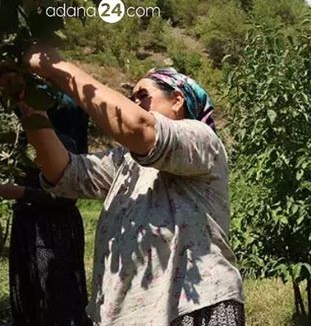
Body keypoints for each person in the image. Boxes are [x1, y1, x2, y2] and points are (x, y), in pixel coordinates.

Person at [1, 43, 244, 326]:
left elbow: (138, 127)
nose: (134, 103)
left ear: (177, 100)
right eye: (131, 98)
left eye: (143, 96)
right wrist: (26, 100)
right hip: (127, 315)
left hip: (194, 308)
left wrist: (53, 66)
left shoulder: (200, 139)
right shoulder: (125, 163)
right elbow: (64, 172)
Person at [1, 101, 91, 326]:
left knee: (55, 299)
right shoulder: (26, 139)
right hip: (29, 225)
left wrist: (22, 193)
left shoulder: (61, 142)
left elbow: (67, 198)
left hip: (53, 231)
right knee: (29, 294)